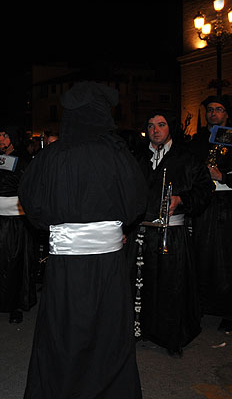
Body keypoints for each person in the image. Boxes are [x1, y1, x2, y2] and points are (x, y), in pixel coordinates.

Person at [19, 81, 146, 398]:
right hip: (107, 266)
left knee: (63, 332)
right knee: (108, 334)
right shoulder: (118, 155)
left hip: (65, 265)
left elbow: (30, 202)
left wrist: (60, 230)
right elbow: (136, 204)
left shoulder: (51, 157)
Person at [129, 111, 212, 357]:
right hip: (141, 232)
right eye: (151, 125)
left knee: (170, 286)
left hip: (171, 233)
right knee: (139, 285)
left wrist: (182, 199)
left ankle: (170, 336)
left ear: (170, 128)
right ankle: (139, 330)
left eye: (161, 125)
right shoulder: (138, 157)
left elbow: (204, 190)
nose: (155, 130)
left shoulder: (187, 159)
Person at [0, 127, 36, 324]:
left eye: (5, 135)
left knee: (14, 263)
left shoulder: (22, 160)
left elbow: (28, 188)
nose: (0, 139)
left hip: (14, 221)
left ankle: (16, 305)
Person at [189, 95, 232, 332]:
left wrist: (223, 177)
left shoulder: (228, 135)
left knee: (225, 258)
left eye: (219, 109)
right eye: (210, 110)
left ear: (226, 114)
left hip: (226, 203)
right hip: (205, 204)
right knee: (203, 256)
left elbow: (221, 170)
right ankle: (204, 305)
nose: (213, 113)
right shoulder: (200, 139)